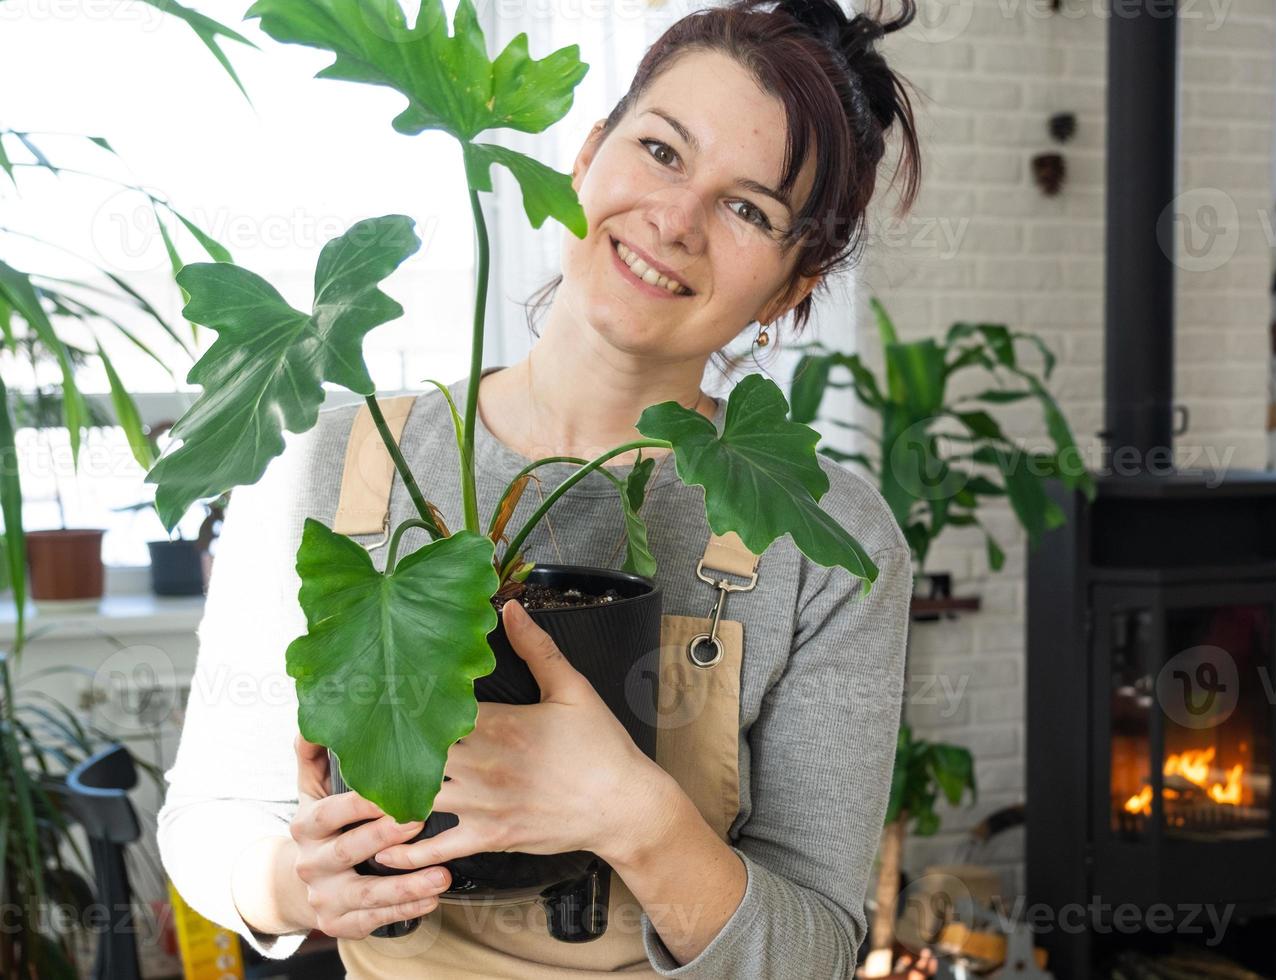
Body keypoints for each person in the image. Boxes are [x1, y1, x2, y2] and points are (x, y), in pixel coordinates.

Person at [157, 0, 925, 975]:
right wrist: (297, 879)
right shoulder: (340, 455)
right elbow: (206, 818)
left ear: (789, 286)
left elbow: (814, 946)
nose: (674, 220)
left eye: (747, 209)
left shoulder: (819, 537)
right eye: (659, 150)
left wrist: (630, 808)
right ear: (587, 154)